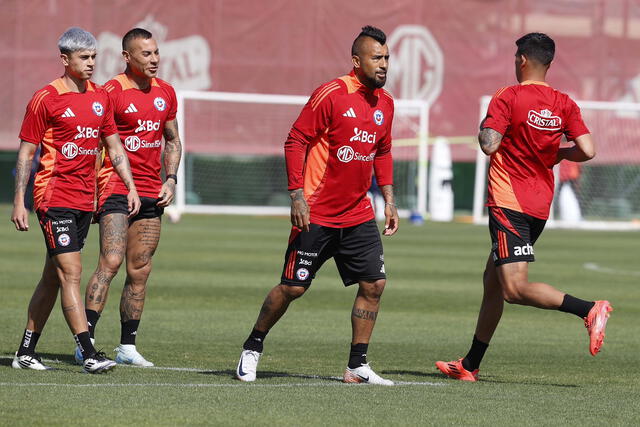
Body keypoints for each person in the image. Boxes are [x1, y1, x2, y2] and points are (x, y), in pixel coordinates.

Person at [436, 33, 612, 382]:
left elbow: (489, 144)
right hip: (538, 205)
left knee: (513, 288)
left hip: (508, 201)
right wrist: (556, 153)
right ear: (549, 63)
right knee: (493, 282)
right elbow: (588, 150)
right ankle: (469, 365)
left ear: (521, 60)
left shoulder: (509, 96)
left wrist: (484, 129)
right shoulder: (564, 102)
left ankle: (589, 310)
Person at [235, 25, 399, 385]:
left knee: (374, 283)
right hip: (318, 212)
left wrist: (388, 199)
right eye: (377, 58)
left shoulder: (385, 104)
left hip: (357, 214)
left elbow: (382, 152)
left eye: (387, 58)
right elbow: (295, 140)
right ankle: (253, 345)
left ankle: (357, 365)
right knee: (293, 288)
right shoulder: (331, 94)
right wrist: (296, 194)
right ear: (356, 61)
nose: (384, 64)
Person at [11, 27, 141, 373]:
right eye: (84, 57)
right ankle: (89, 352)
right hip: (53, 197)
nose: (91, 63)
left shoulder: (101, 97)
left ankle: (25, 352)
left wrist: (129, 186)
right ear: (64, 59)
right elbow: (26, 153)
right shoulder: (46, 98)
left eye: (94, 57)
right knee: (71, 273)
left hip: (87, 200)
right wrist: (19, 201)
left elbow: (114, 146)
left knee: (52, 277)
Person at [74, 28, 181, 367]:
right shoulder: (110, 92)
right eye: (146, 54)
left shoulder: (166, 93)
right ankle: (85, 342)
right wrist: (90, 191)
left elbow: (173, 140)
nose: (154, 59)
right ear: (127, 57)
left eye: (156, 52)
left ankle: (127, 347)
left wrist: (171, 179)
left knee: (140, 269)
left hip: (152, 192)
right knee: (111, 261)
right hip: (115, 188)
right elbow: (94, 144)